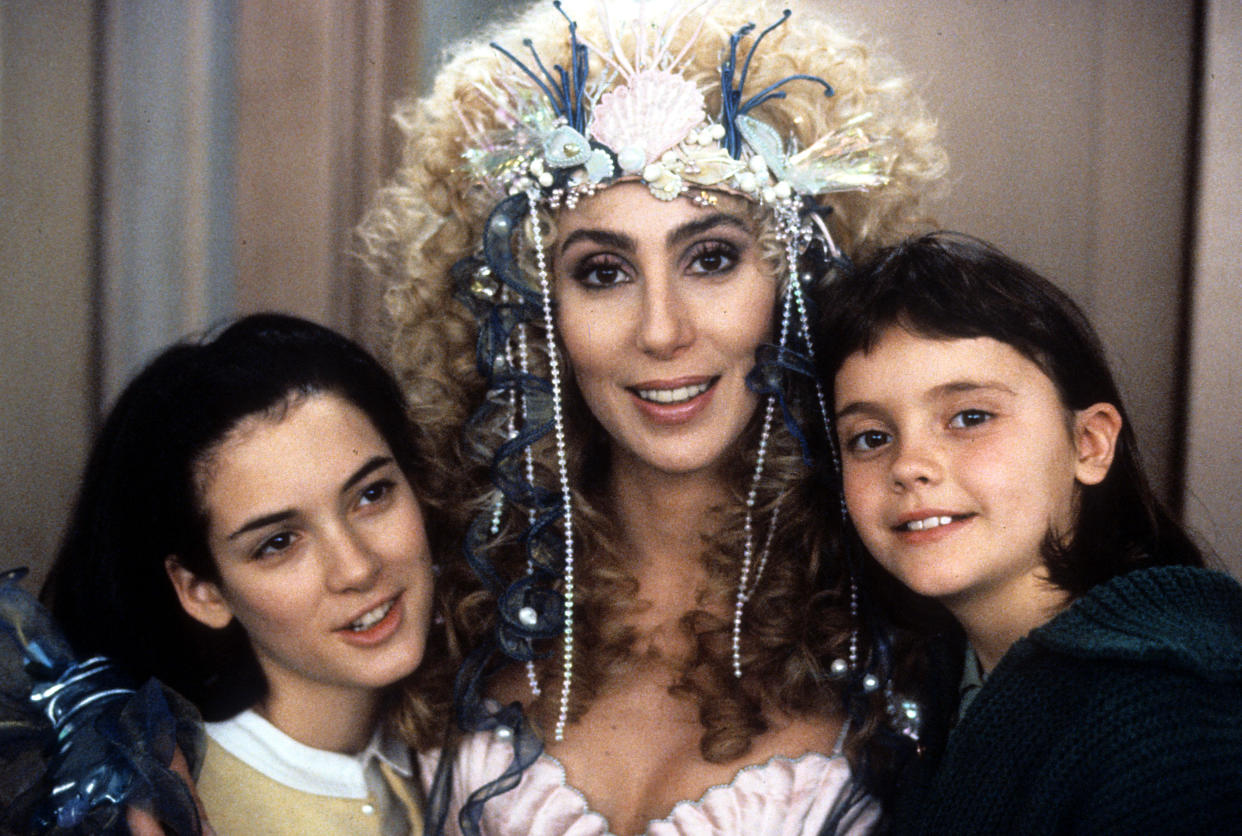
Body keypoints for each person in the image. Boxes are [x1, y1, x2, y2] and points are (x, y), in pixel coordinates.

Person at [358, 1, 946, 833]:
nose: (662, 331)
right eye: (603, 272)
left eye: (711, 258)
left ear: (794, 279)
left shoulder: (909, 594)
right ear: (533, 308)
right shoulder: (441, 595)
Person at [815, 231, 1242, 833]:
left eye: (970, 417)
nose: (909, 464)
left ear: (1090, 445)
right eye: (871, 438)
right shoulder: (931, 685)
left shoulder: (1171, 722)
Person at [40, 313, 455, 836]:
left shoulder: (475, 748)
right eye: (278, 543)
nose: (356, 566)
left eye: (371, 494)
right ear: (202, 591)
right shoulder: (170, 812)